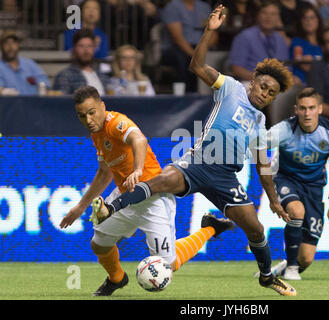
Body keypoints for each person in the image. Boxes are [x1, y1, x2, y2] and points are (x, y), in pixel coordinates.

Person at [90, 4, 298, 296]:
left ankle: (266, 277)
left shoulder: (261, 121)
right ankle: (110, 208)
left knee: (256, 230)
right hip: (199, 162)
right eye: (263, 86)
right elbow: (196, 67)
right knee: (161, 181)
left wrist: (274, 201)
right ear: (253, 80)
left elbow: (264, 166)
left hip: (226, 177)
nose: (264, 93)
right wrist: (208, 32)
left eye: (272, 93)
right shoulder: (231, 87)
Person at [59, 85, 235, 296]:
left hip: (153, 197)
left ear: (102, 106)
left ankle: (210, 228)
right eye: (81, 116)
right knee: (99, 244)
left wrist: (138, 170)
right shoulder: (96, 134)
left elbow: (139, 139)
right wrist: (80, 206)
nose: (88, 120)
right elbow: (104, 173)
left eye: (91, 112)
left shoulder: (116, 123)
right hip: (125, 197)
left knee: (169, 264)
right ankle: (117, 279)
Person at [256, 87, 329, 280]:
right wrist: (264, 168)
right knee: (296, 211)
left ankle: (287, 266)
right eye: (303, 108)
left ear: (320, 109)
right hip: (287, 180)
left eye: (311, 108)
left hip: (314, 188)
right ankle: (292, 269)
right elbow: (259, 143)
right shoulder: (285, 129)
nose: (307, 113)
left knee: (307, 258)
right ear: (296, 109)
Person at [228, 0, 290, 83]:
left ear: (278, 18)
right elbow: (236, 69)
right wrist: (262, 80)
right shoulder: (244, 36)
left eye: (273, 14)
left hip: (276, 84)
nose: (268, 17)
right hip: (250, 83)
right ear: (257, 15)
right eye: (264, 13)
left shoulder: (280, 39)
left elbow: (285, 67)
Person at [159, 0, 213, 93]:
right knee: (182, 59)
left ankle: (211, 94)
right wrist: (195, 56)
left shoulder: (204, 7)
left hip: (201, 46)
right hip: (178, 47)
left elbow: (214, 32)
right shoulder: (172, 7)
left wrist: (203, 49)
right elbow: (178, 38)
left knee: (216, 57)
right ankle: (187, 94)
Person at [53, 28, 110, 95]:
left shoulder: (102, 75)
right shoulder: (65, 76)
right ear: (74, 49)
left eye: (89, 46)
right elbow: (59, 103)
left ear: (94, 49)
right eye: (81, 46)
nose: (86, 51)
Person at [0, 29, 50, 95]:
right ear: (1, 46)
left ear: (18, 45)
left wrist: (43, 88)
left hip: (34, 103)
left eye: (14, 42)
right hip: (10, 104)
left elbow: (44, 83)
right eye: (6, 43)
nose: (11, 46)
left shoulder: (29, 64)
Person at [290, 5, 324, 85]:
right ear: (301, 22)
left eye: (312, 18)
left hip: (323, 84)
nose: (308, 21)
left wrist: (312, 61)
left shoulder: (324, 42)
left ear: (318, 20)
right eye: (305, 18)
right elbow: (305, 66)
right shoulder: (297, 42)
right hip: (303, 84)